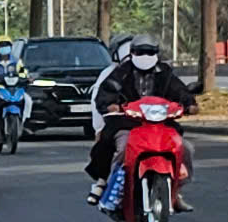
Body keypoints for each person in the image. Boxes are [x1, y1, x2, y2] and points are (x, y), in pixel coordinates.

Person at [84, 34, 196, 207]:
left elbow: (179, 91)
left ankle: (176, 191)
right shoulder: (121, 72)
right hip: (127, 124)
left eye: (150, 52)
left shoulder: (164, 72)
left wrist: (190, 104)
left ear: (157, 53)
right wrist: (111, 106)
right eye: (140, 51)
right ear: (132, 53)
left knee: (185, 148)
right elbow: (105, 94)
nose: (145, 56)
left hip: (160, 125)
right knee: (122, 149)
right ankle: (106, 184)